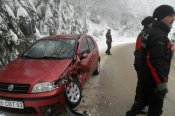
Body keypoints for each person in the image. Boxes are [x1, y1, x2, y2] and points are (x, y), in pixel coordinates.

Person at [126, 5, 175, 116]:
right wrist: (161, 84)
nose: (173, 18)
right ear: (162, 16)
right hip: (154, 83)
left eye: (174, 16)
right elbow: (154, 62)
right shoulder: (159, 35)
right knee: (155, 111)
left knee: (140, 103)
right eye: (170, 15)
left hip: (146, 79)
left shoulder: (151, 32)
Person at [126, 16, 155, 116]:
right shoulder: (143, 34)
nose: (154, 24)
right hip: (141, 65)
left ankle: (140, 104)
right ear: (148, 24)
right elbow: (138, 51)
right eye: (152, 22)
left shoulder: (147, 33)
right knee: (142, 85)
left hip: (142, 65)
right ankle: (139, 105)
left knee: (143, 84)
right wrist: (139, 66)